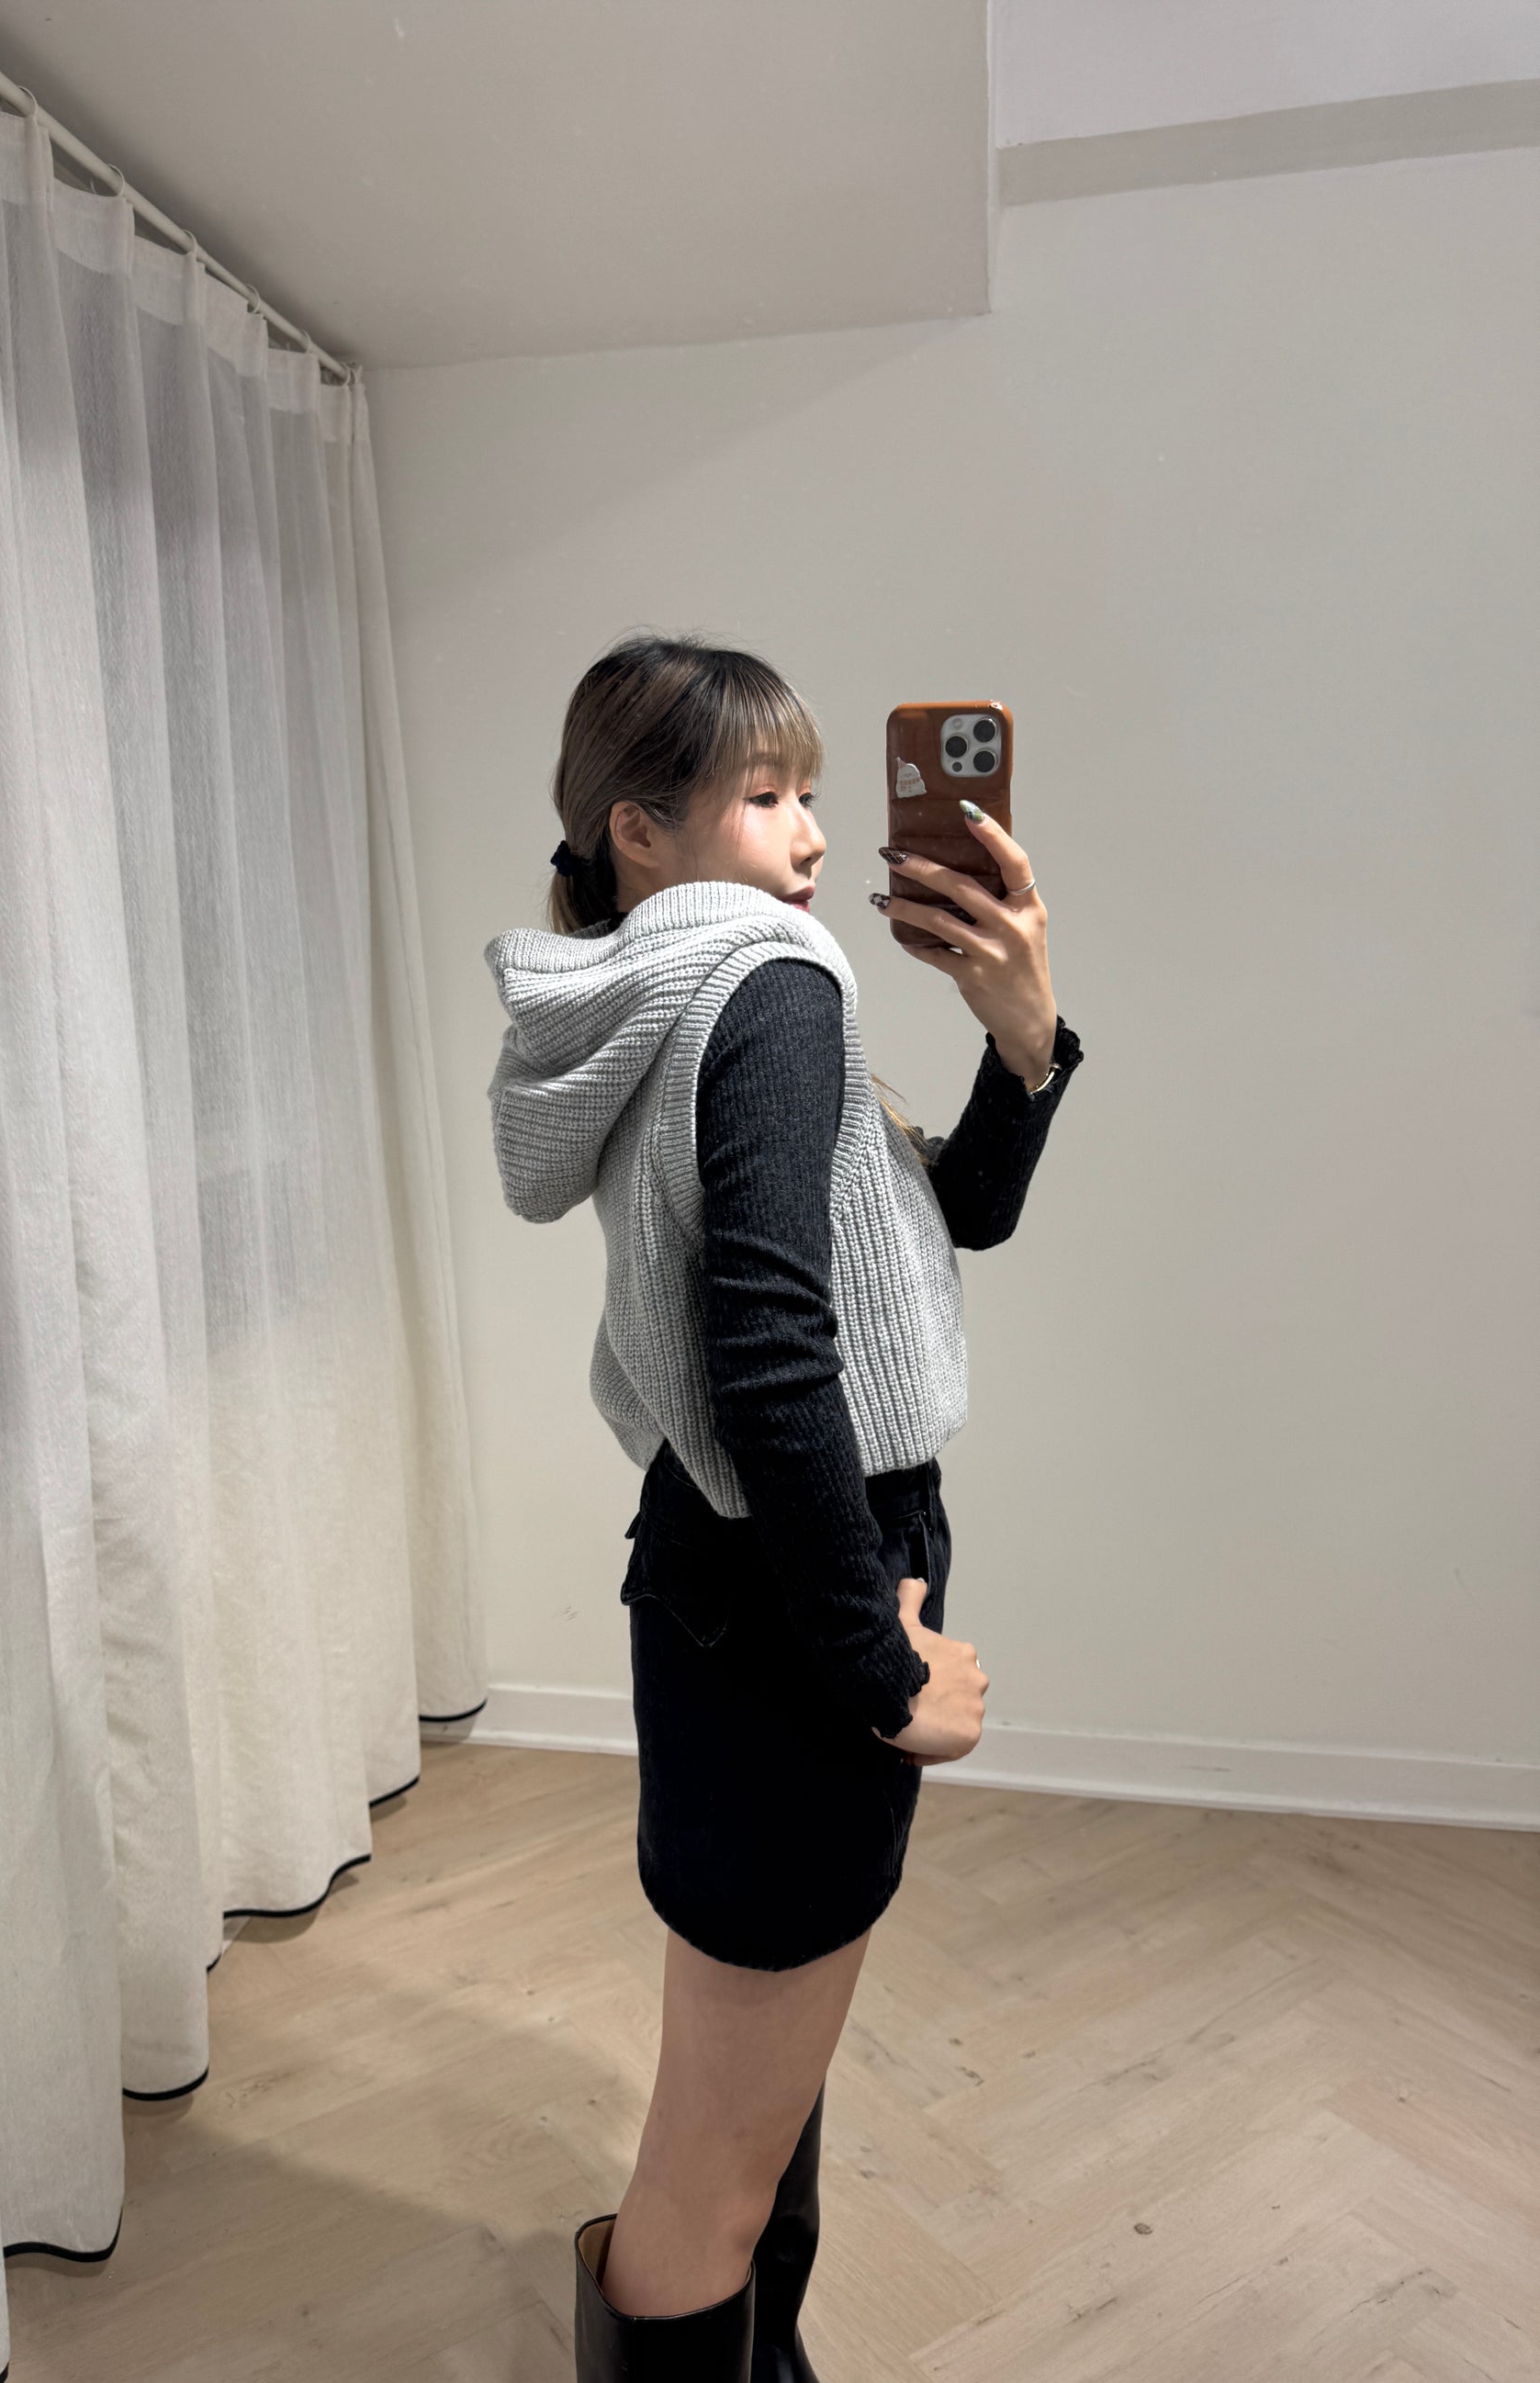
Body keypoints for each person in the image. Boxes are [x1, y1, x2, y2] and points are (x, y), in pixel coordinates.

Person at [483, 633, 1085, 2382]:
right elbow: (767, 1342)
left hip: (724, 1561)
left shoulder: (658, 990)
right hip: (799, 1571)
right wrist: (873, 1662)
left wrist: (1021, 1043)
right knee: (719, 2159)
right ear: (639, 829)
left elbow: (943, 1221)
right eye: (766, 795)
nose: (813, 833)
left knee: (749, 2093)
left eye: (812, 791)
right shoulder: (769, 977)